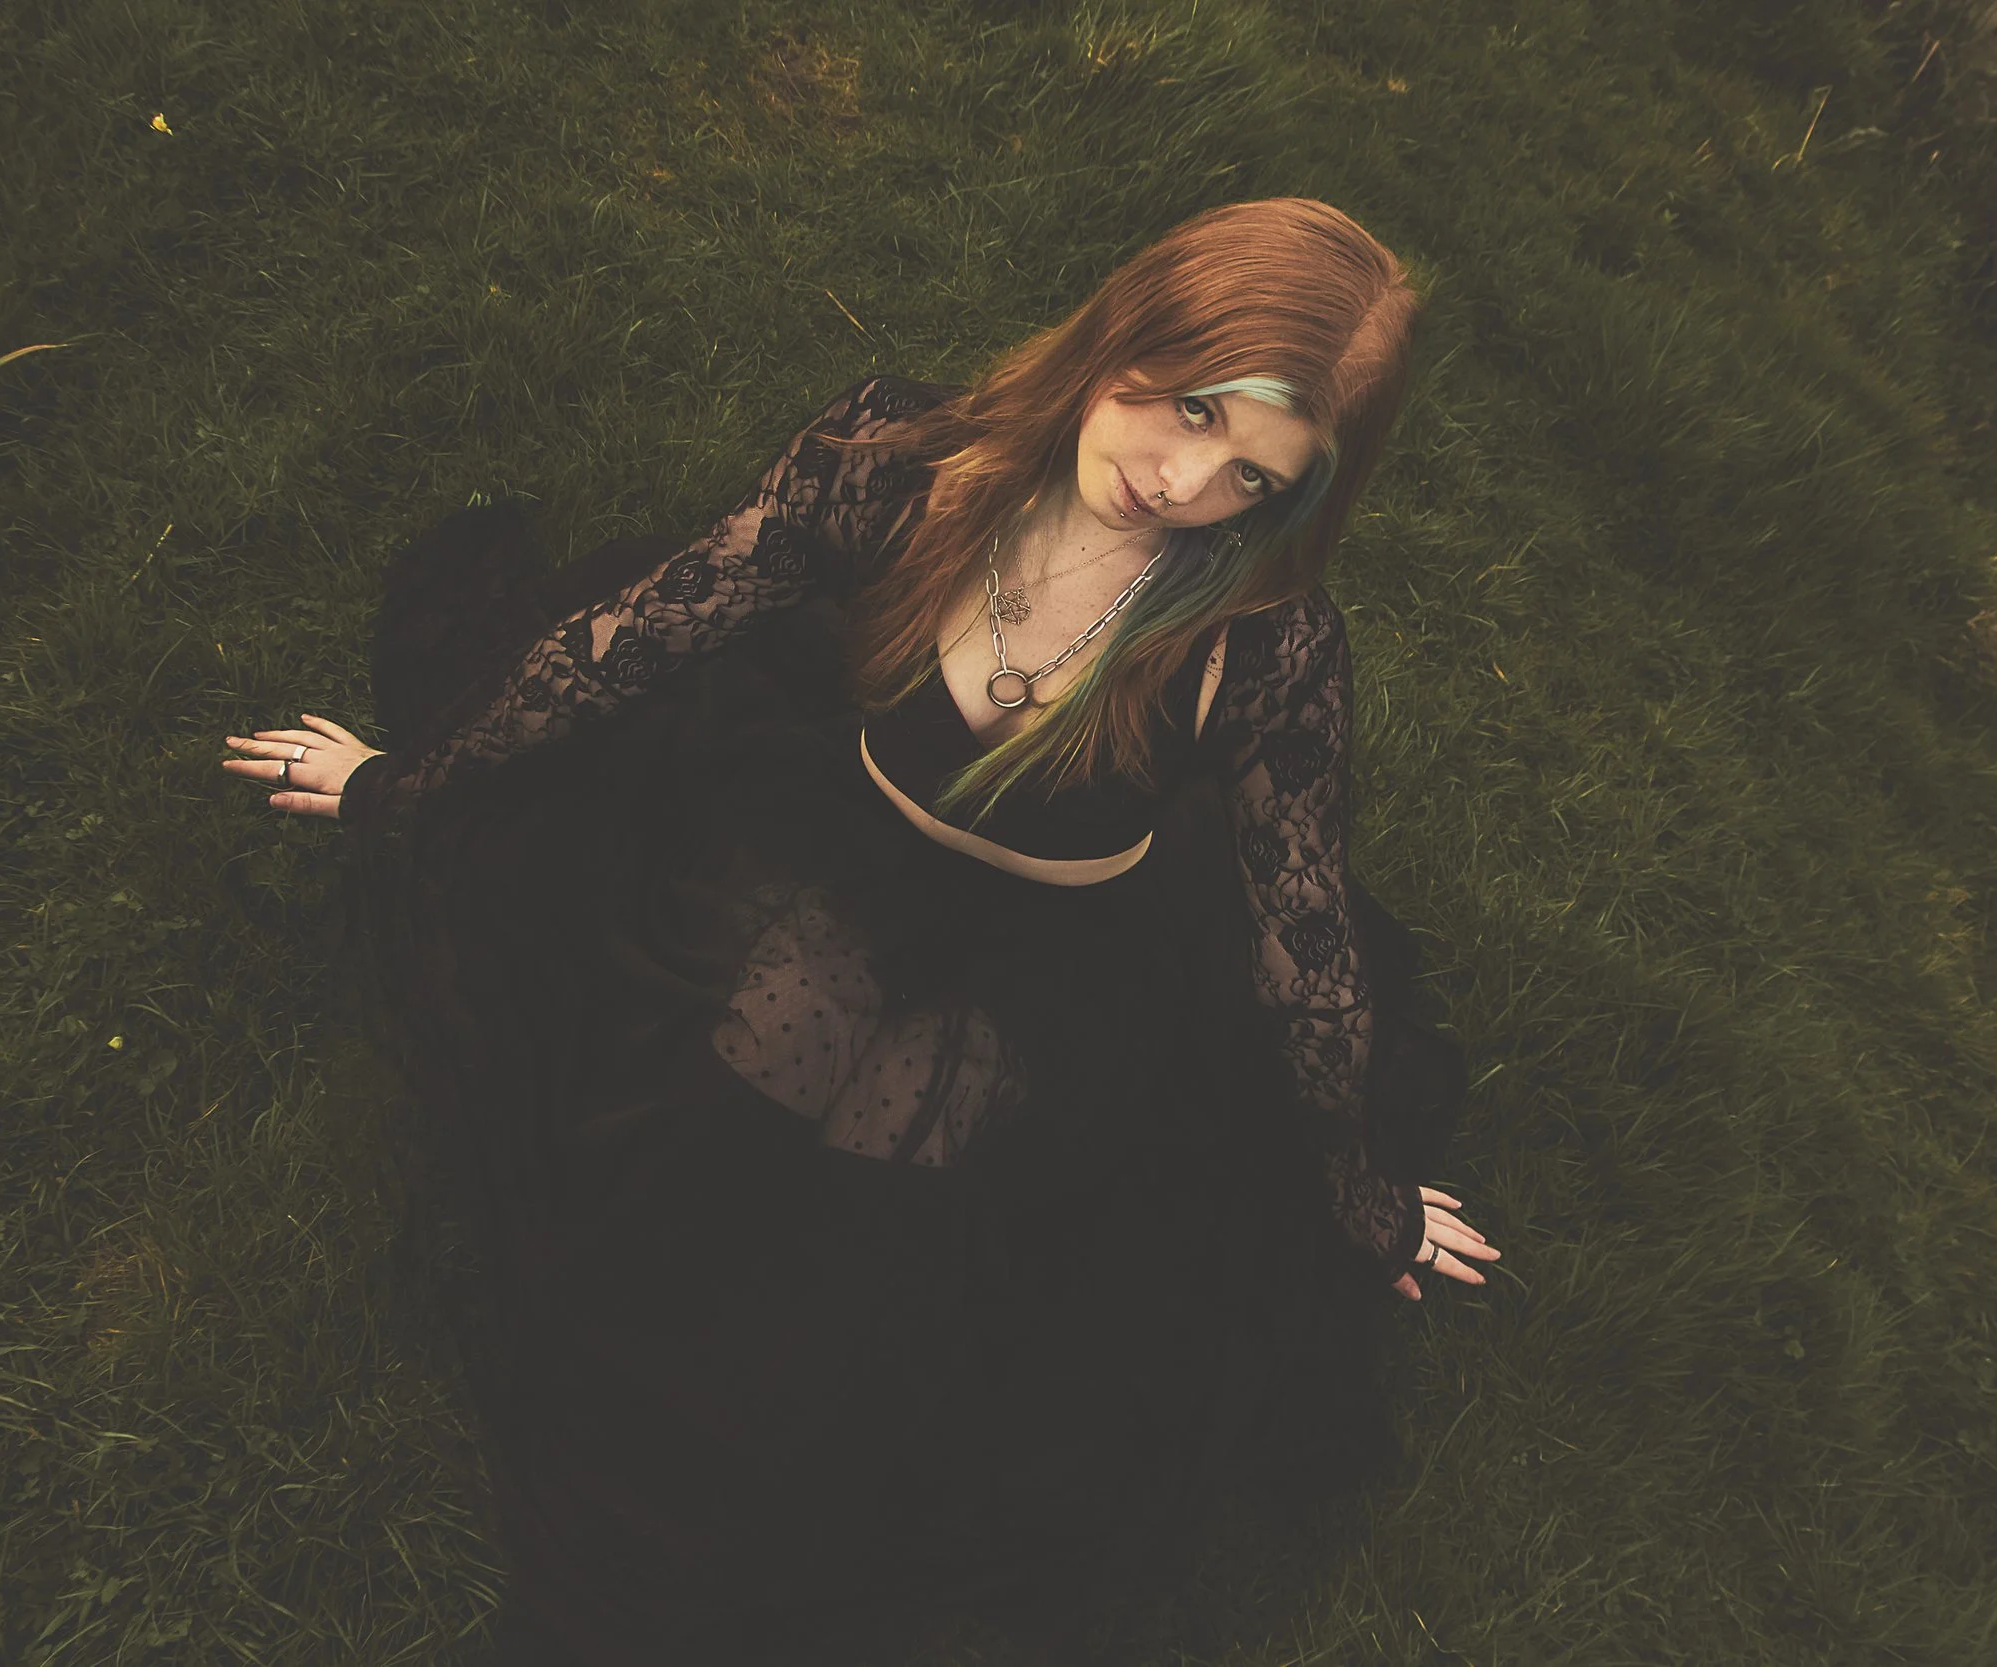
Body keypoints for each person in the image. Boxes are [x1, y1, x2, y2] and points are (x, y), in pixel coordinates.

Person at [223, 198, 1501, 1665]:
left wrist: (1358, 1198)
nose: (1184, 478)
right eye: (1191, 405)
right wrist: (404, 786)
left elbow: (1303, 951)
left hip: (1062, 957)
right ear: (1131, 327)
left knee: (905, 1240)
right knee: (725, 1108)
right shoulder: (898, 468)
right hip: (832, 845)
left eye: (1252, 475)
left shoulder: (1265, 645)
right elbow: (637, 633)